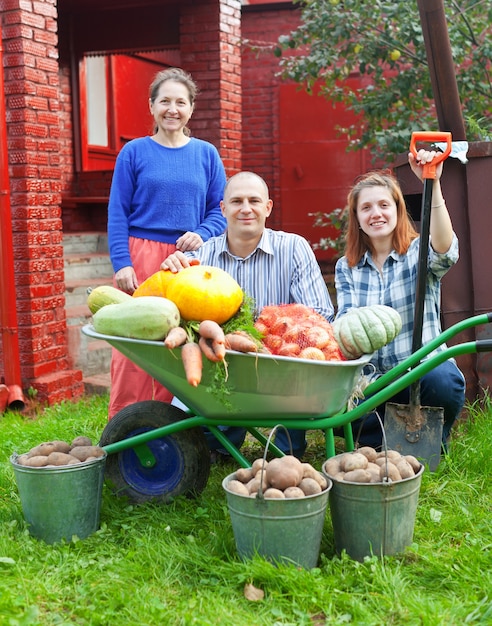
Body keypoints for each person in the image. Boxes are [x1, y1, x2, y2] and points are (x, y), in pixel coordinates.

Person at [161, 171, 335, 459]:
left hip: (281, 364)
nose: (246, 208)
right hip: (221, 362)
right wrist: (169, 272)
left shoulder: (293, 248)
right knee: (197, 435)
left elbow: (319, 314)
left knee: (287, 448)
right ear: (223, 209)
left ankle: (286, 441)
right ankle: (218, 439)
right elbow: (181, 316)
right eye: (237, 201)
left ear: (268, 207)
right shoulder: (201, 258)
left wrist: (273, 334)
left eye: (254, 200)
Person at [107, 67, 227, 419]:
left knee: (181, 342)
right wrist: (122, 263)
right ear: (151, 106)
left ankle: (175, 426)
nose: (172, 109)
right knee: (135, 346)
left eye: (180, 102)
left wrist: (202, 233)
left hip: (189, 263)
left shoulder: (206, 154)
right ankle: (128, 425)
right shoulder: (133, 153)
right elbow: (117, 214)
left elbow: (219, 212)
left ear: (191, 109)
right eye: (164, 101)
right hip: (141, 255)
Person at [335, 149, 466, 449]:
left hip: (421, 373)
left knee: (442, 383)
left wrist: (432, 183)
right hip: (374, 382)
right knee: (342, 411)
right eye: (366, 208)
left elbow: (446, 251)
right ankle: (399, 442)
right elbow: (347, 327)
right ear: (356, 217)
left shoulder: (419, 253)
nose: (376, 213)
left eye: (384, 205)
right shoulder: (347, 267)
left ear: (398, 210)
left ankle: (415, 438)